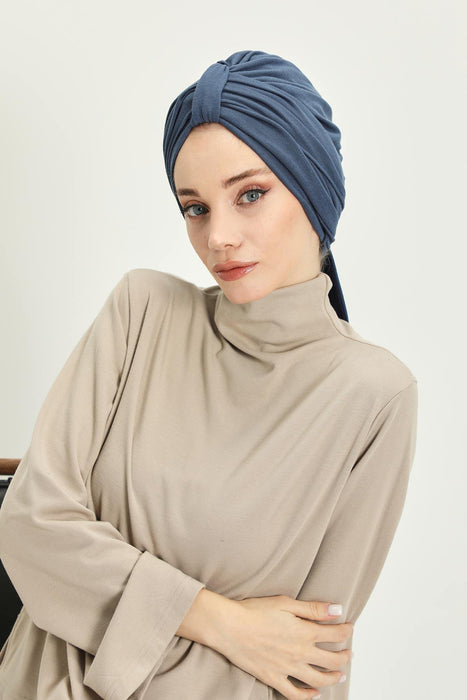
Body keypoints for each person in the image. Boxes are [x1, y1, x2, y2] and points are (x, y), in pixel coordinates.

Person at [0, 50, 418, 700]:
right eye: (194, 207)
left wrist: (114, 600)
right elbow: (30, 527)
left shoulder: (375, 395)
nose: (218, 235)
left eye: (250, 195)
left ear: (312, 188)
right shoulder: (141, 311)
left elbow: (301, 660)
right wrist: (225, 623)